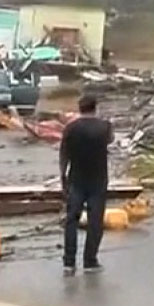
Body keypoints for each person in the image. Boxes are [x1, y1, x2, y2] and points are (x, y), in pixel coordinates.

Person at [59, 94, 114, 275]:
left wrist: (63, 177)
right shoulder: (104, 127)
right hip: (98, 180)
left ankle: (69, 262)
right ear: (95, 107)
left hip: (76, 180)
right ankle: (90, 261)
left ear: (80, 108)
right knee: (95, 222)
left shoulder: (70, 128)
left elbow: (64, 154)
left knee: (71, 221)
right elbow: (111, 140)